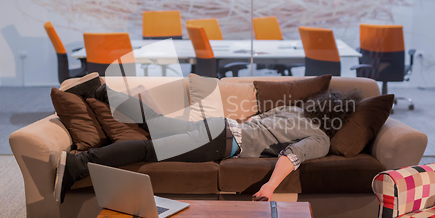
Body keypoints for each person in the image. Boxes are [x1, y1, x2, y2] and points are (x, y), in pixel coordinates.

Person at [54, 84, 361, 204]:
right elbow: (292, 156)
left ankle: (100, 91)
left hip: (221, 126)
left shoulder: (294, 109)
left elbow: (260, 119)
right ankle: (78, 165)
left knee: (156, 125)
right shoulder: (320, 138)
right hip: (222, 142)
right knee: (151, 149)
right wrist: (270, 186)